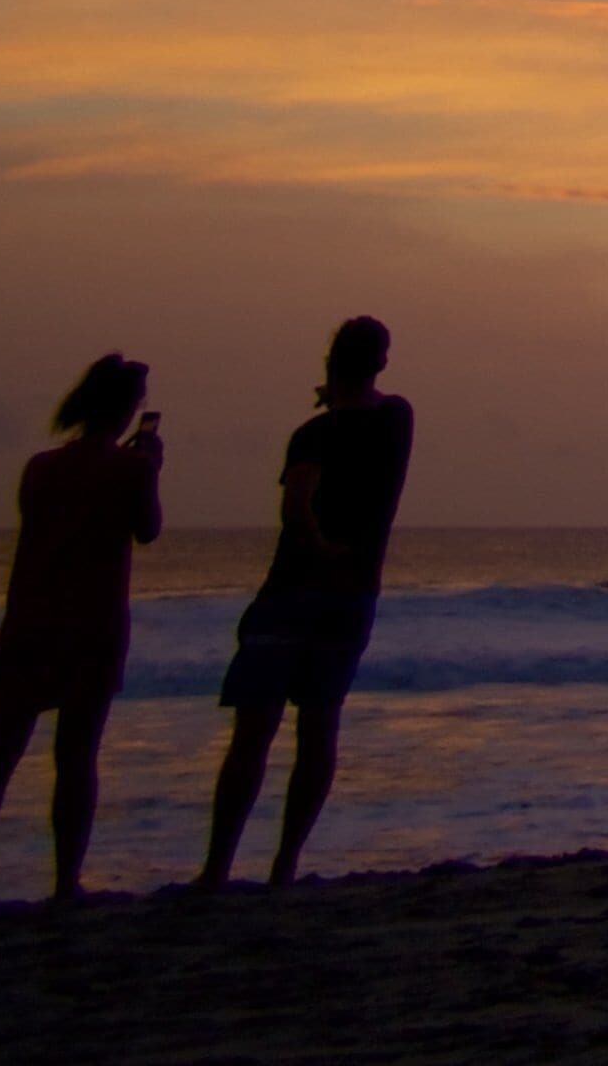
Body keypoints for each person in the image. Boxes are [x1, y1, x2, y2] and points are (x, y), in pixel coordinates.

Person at [198, 315, 414, 888]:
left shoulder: (312, 435)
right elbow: (374, 405)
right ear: (381, 363)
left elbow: (295, 507)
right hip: (353, 592)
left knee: (253, 734)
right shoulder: (396, 420)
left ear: (330, 363)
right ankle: (285, 864)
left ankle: (218, 867)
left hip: (293, 587)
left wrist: (318, 546)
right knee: (318, 729)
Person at [0, 353, 163, 909]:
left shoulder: (39, 468)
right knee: (76, 759)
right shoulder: (131, 470)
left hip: (29, 621)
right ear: (126, 409)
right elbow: (147, 529)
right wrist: (150, 467)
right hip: (92, 625)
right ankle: (65, 883)